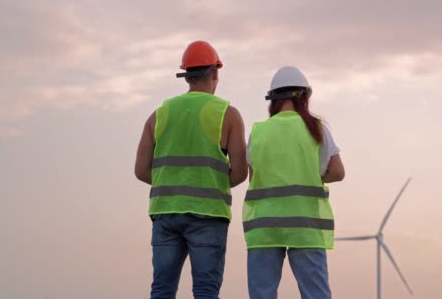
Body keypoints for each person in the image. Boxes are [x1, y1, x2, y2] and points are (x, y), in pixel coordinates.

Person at [134, 40, 248, 299]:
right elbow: (240, 173)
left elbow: (141, 170)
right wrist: (207, 184)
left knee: (162, 289)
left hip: (165, 213)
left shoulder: (159, 114)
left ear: (186, 76)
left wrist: (172, 182)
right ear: (215, 73)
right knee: (206, 291)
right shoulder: (228, 114)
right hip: (208, 215)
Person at [243, 66, 345, 299]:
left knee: (262, 294)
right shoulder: (316, 128)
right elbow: (338, 172)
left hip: (264, 228)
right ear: (304, 97)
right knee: (315, 294)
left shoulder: (258, 132)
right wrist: (312, 174)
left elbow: (253, 179)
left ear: (272, 100)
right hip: (305, 226)